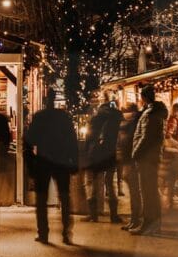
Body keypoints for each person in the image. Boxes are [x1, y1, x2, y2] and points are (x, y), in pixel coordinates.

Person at [25, 89, 79, 245]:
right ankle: (66, 232)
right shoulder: (64, 117)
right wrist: (74, 161)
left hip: (43, 161)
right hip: (61, 161)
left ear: (45, 100)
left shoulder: (39, 117)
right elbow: (72, 140)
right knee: (64, 197)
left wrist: (31, 163)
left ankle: (43, 233)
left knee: (41, 199)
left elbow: (28, 141)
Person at [130, 85, 168, 236]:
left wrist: (135, 153)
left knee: (147, 191)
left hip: (146, 157)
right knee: (151, 191)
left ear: (144, 97)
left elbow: (145, 137)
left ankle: (148, 223)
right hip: (152, 156)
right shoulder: (157, 112)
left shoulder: (150, 113)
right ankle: (154, 224)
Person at [83, 101, 122, 223]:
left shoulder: (95, 119)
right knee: (111, 184)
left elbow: (88, 137)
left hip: (95, 155)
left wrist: (86, 152)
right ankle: (114, 215)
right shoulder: (116, 119)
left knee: (91, 183)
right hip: (110, 155)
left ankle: (93, 215)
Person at [116, 103, 142, 231]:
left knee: (135, 192)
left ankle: (136, 219)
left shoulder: (133, 124)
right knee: (133, 192)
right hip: (128, 161)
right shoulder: (128, 124)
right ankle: (134, 219)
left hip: (132, 162)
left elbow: (129, 143)